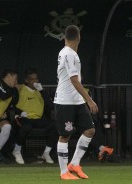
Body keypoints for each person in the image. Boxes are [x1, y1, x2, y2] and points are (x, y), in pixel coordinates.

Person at [54, 25, 98, 180]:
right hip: (65, 101)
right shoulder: (68, 53)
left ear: (65, 37)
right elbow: (73, 80)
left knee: (89, 130)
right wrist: (90, 100)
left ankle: (74, 164)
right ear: (79, 37)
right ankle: (63, 172)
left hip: (76, 101)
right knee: (65, 135)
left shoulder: (70, 53)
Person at [12, 68, 58, 164]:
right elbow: (11, 104)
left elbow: (50, 106)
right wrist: (20, 112)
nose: (35, 81)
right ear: (26, 80)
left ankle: (46, 153)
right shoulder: (20, 89)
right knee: (26, 127)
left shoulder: (41, 91)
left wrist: (41, 91)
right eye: (32, 79)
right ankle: (16, 151)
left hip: (38, 119)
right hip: (24, 118)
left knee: (54, 125)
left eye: (36, 79)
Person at [83, 87, 114, 161]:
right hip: (78, 119)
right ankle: (102, 149)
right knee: (88, 132)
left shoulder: (86, 90)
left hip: (84, 116)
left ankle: (102, 150)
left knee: (93, 130)